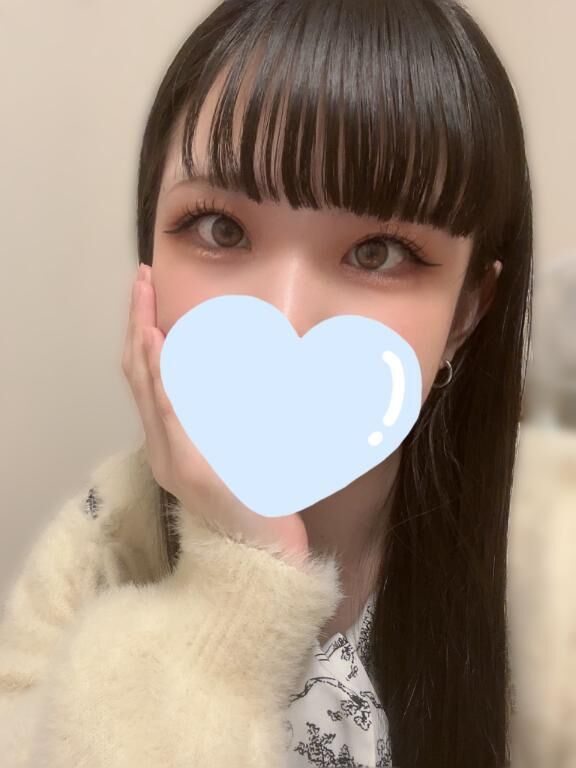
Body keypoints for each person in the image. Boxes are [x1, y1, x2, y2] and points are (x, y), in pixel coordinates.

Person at [0, 0, 533, 766]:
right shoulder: (97, 548)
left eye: (379, 252)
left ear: (467, 312)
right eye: (220, 229)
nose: (284, 319)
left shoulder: (548, 564)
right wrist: (245, 576)